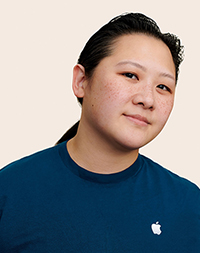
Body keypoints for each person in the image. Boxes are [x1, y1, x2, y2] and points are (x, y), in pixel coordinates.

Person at [0, 13, 199, 252]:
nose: (148, 99)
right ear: (82, 80)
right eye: (130, 75)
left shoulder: (188, 204)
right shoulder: (10, 191)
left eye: (163, 87)